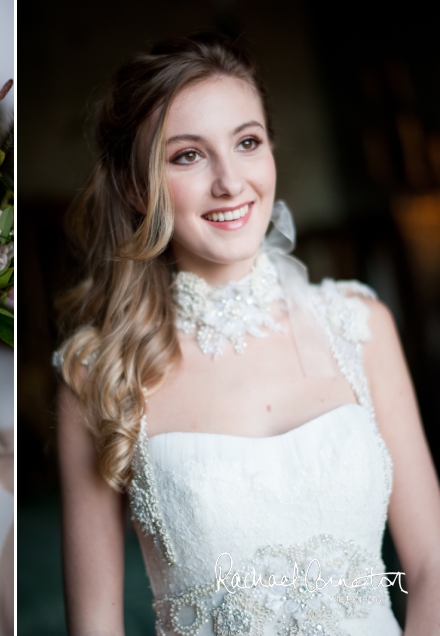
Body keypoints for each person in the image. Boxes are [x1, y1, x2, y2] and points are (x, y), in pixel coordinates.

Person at [54, 33, 440, 635]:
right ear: (137, 188)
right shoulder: (98, 374)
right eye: (188, 155)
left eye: (247, 142)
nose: (230, 182)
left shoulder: (360, 325)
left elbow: (431, 564)